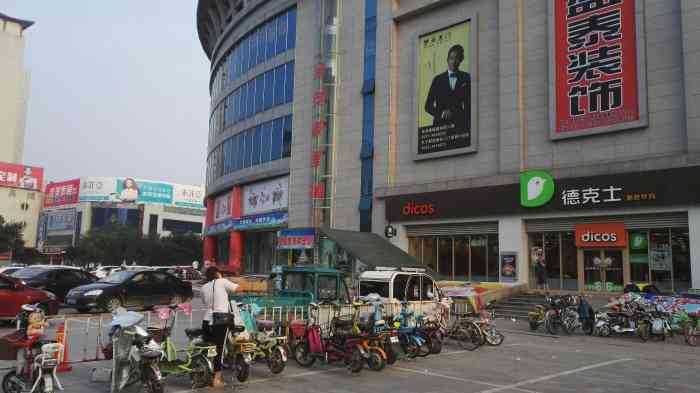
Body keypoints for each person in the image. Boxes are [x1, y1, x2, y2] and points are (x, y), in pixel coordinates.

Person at [200, 266, 239, 388]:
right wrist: (223, 279)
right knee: (219, 350)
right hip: (220, 321)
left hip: (207, 321)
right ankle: (217, 379)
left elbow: (205, 302)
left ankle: (206, 371)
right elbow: (238, 288)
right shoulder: (222, 281)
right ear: (217, 273)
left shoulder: (203, 287)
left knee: (209, 348)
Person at [424, 44, 471, 131]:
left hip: (460, 126)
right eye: (451, 58)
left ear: (461, 60)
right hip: (440, 127)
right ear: (447, 59)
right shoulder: (437, 80)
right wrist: (441, 113)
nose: (454, 62)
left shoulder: (466, 77)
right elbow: (428, 106)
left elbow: (469, 106)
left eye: (457, 58)